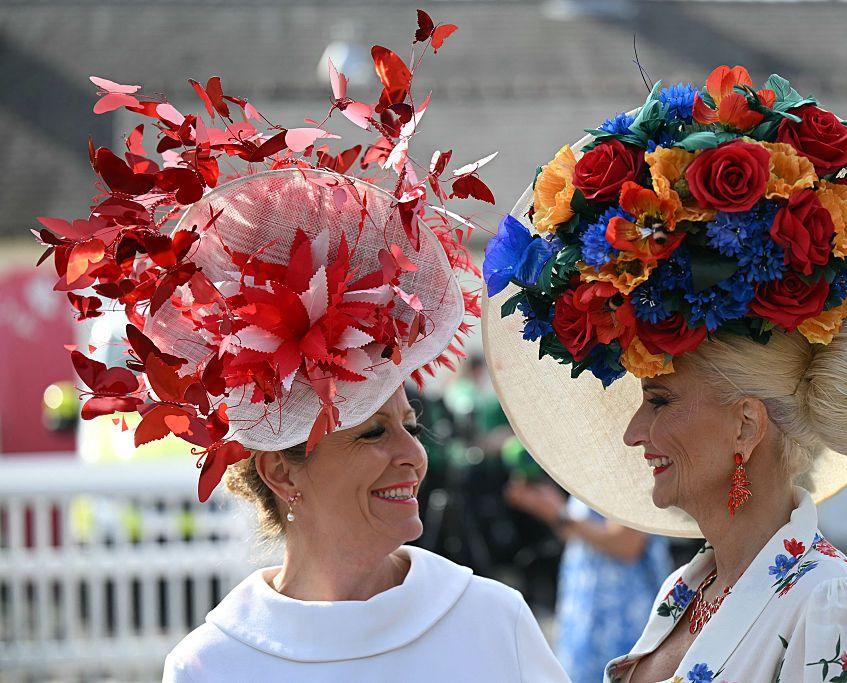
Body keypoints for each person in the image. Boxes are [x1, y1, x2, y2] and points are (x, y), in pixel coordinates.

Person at [41, 15, 568, 683]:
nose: (413, 452)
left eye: (406, 424)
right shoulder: (215, 665)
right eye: (372, 432)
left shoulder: (493, 623)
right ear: (282, 473)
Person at [483, 63, 847, 682]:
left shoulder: (828, 600)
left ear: (746, 427)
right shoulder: (686, 590)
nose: (633, 433)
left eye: (661, 399)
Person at [506, 480, 672, 683]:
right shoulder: (598, 475)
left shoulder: (627, 477)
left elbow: (626, 544)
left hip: (620, 618)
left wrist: (559, 514)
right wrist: (549, 507)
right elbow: (581, 535)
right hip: (589, 614)